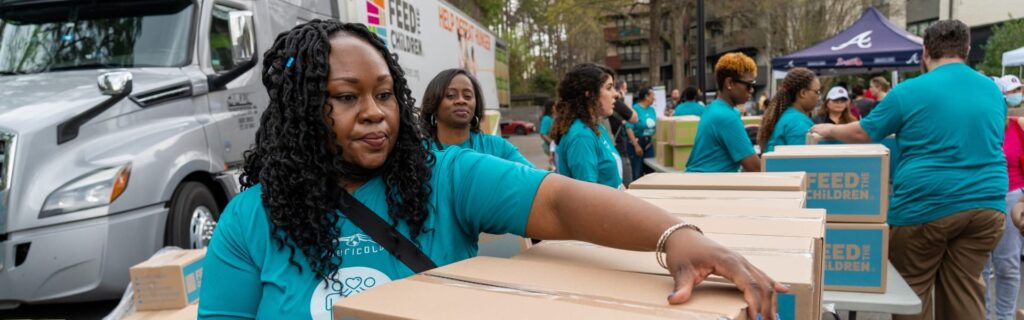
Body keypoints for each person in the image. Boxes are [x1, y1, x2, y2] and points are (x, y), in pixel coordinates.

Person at [198, 20, 786, 319]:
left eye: (384, 94)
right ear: (303, 109)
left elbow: (559, 203)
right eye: (347, 97)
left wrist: (676, 237)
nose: (375, 114)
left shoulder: (445, 176)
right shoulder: (248, 222)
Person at [811, 20, 1006, 320]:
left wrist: (827, 129)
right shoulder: (992, 90)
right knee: (964, 287)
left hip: (925, 205)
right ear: (967, 49)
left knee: (912, 293)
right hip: (987, 204)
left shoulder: (909, 91)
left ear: (925, 52)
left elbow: (865, 132)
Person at [421, 68, 532, 167]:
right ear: (433, 104)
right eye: (450, 95)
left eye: (467, 96)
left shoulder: (498, 148)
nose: (461, 100)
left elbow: (534, 180)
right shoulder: (419, 152)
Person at [984, 74, 1024, 320]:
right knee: (980, 268)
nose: (1017, 96)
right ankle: (984, 316)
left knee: (1007, 266)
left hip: (1012, 196)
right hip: (983, 197)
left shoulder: (1018, 127)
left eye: (1019, 90)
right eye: (1012, 91)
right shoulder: (983, 124)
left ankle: (1005, 317)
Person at [686, 52, 761, 172]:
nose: (751, 90)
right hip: (708, 187)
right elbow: (755, 168)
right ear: (729, 83)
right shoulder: (726, 117)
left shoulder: (714, 108)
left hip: (702, 184)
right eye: (749, 85)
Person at [756, 67, 819, 153]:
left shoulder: (786, 115)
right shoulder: (797, 122)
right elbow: (804, 162)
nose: (818, 97)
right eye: (817, 92)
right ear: (803, 93)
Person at [609, 80, 639, 185]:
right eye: (625, 89)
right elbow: (634, 118)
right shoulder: (617, 103)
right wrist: (624, 101)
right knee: (626, 186)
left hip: (611, 149)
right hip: (619, 151)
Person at [625, 87, 657, 180]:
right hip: (637, 143)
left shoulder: (652, 110)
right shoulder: (635, 109)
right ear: (646, 97)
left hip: (649, 144)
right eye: (652, 95)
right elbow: (629, 128)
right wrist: (636, 145)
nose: (654, 98)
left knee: (651, 172)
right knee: (637, 172)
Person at [539, 100, 556, 170]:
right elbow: (542, 134)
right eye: (555, 105)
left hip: (552, 146)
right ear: (551, 108)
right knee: (555, 164)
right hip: (549, 146)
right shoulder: (546, 119)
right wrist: (552, 142)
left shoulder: (552, 118)